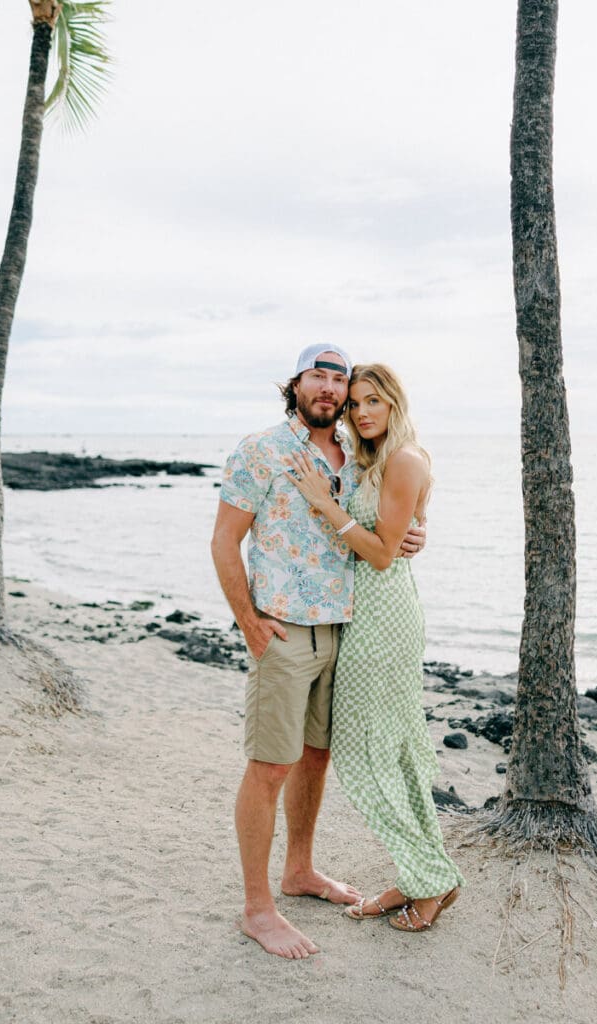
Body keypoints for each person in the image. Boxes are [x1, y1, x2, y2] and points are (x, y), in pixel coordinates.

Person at [210, 345, 425, 960]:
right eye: (319, 376)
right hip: (282, 633)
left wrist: (416, 532)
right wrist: (248, 623)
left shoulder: (362, 455)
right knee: (270, 766)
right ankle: (258, 908)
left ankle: (299, 871)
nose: (331, 389)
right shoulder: (261, 450)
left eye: (341, 380)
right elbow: (225, 542)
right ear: (296, 384)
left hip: (346, 630)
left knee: (314, 759)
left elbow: (384, 527)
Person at [286, 363, 465, 933]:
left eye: (373, 401)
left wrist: (325, 503)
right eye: (354, 403)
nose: (361, 412)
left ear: (394, 404)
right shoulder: (373, 459)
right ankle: (423, 875)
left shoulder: (406, 457)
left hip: (382, 621)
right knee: (394, 754)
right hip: (362, 614)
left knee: (366, 753)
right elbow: (397, 531)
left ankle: (430, 881)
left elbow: (384, 554)